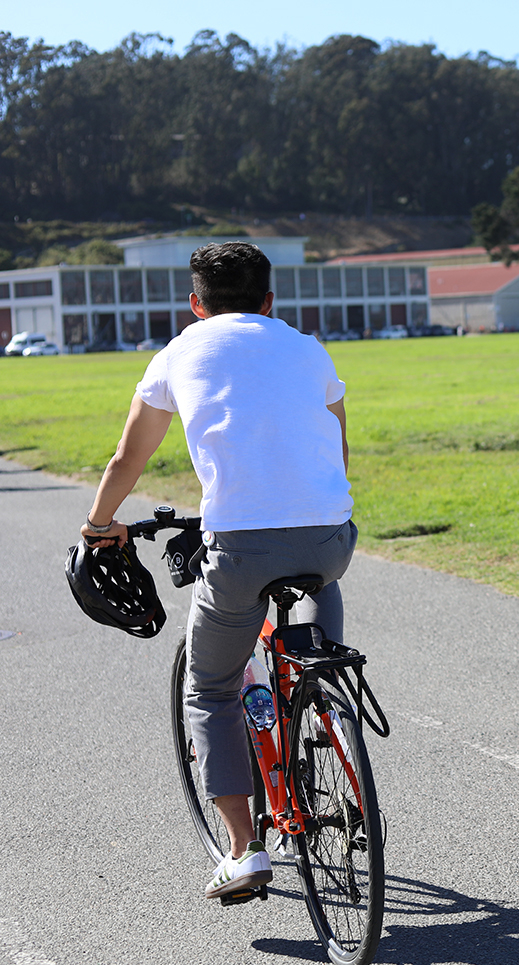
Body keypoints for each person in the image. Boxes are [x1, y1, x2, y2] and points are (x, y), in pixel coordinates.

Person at [79, 242, 356, 900]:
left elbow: (127, 459)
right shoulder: (308, 348)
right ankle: (324, 692)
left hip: (239, 547)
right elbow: (336, 445)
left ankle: (243, 851)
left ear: (195, 306)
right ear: (269, 303)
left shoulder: (178, 352)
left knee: (210, 689)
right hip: (328, 538)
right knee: (319, 611)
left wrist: (98, 525)